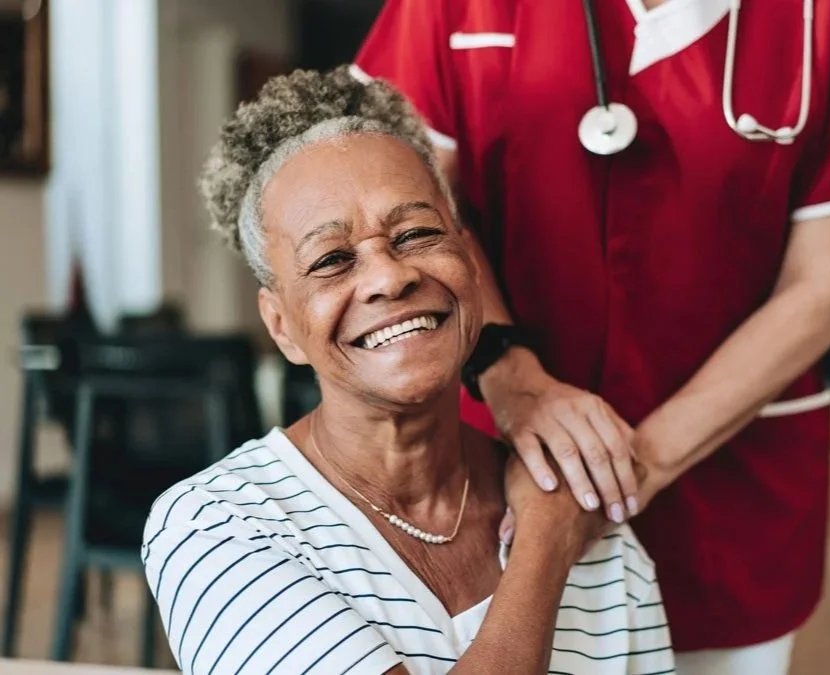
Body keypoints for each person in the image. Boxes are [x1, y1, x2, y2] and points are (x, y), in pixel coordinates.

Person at [352, 0, 830, 672]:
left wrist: (623, 471)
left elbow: (821, 287)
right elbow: (413, 197)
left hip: (727, 485)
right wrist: (509, 375)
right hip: (496, 457)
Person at [140, 67, 674, 675]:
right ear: (281, 325)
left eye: (417, 233)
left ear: (470, 262)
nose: (390, 277)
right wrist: (543, 549)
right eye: (333, 259)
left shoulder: (591, 513)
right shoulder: (221, 526)